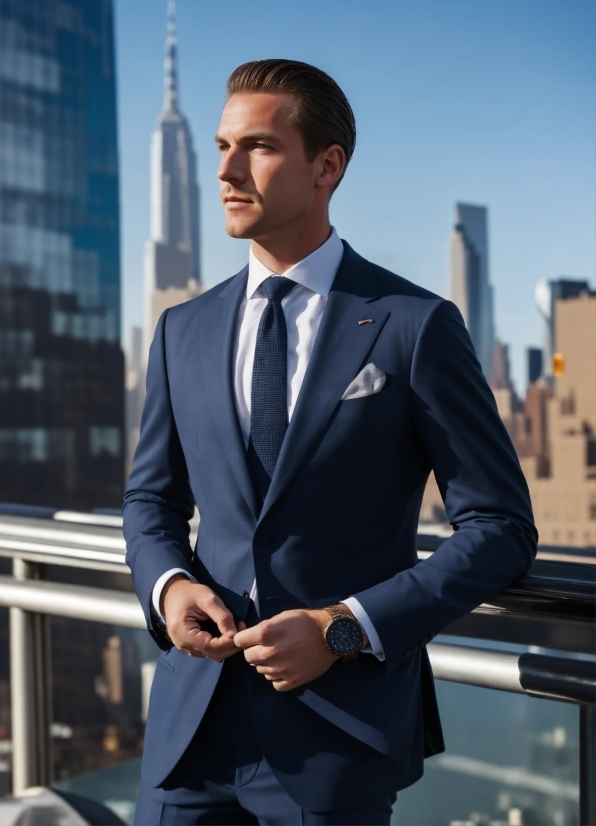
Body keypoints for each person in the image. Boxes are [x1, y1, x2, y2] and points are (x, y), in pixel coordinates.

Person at [124, 59, 537, 826]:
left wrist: (341, 629)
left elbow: (501, 529)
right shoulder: (183, 329)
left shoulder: (414, 325)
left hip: (335, 742)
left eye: (257, 147)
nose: (224, 169)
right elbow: (151, 499)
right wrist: (169, 588)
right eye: (221, 146)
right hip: (190, 736)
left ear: (327, 165)